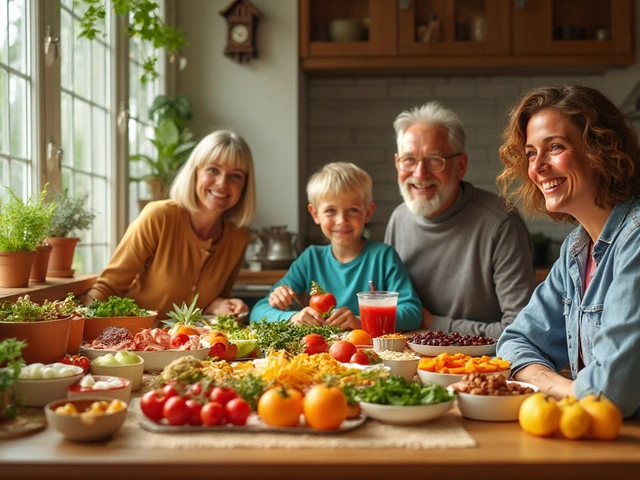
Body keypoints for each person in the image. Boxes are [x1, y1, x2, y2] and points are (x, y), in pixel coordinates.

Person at [496, 84, 640, 418]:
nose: (538, 167)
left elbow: (610, 394)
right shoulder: (576, 247)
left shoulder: (634, 240)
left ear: (601, 149)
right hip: (595, 433)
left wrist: (552, 385)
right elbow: (515, 342)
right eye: (531, 153)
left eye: (555, 147)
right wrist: (567, 388)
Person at [385, 101, 536, 339]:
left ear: (461, 166)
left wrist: (434, 323)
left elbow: (520, 329)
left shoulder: (500, 223)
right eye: (409, 159)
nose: (420, 173)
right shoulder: (398, 219)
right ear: (397, 163)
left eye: (434, 160)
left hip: (480, 366)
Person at [82, 129, 256, 320]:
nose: (222, 183)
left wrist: (219, 304)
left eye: (236, 176)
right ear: (195, 173)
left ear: (245, 185)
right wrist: (84, 327)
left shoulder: (239, 237)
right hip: (134, 340)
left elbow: (218, 297)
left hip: (193, 345)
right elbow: (108, 287)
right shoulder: (159, 217)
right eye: (213, 170)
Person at [250, 161, 422, 331]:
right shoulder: (311, 259)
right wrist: (292, 318)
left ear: (368, 213)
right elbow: (258, 312)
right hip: (318, 356)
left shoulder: (384, 257)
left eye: (353, 210)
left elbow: (413, 313)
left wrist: (363, 321)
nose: (342, 220)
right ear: (315, 214)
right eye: (331, 211)